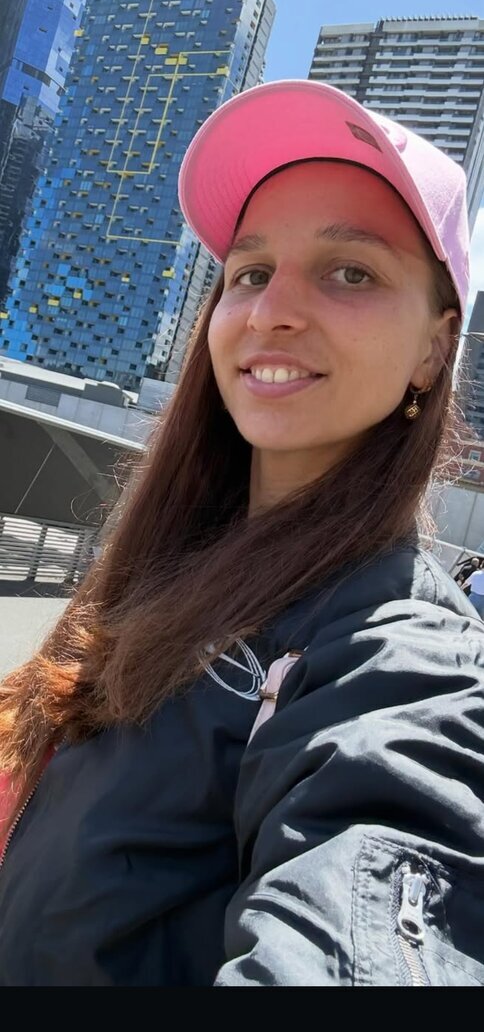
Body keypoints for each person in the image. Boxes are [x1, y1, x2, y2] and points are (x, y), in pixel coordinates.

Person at [1, 80, 484, 987]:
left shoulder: (403, 658)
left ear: (433, 346)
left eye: (351, 272)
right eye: (251, 272)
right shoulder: (175, 561)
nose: (270, 311)